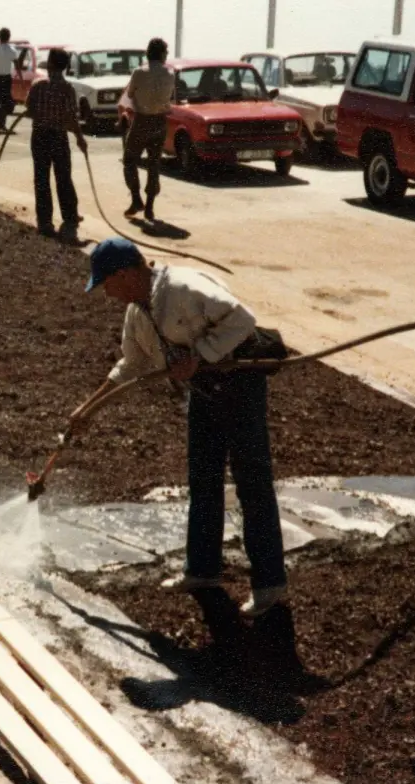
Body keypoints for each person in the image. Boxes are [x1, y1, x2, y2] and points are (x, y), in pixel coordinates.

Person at [72, 239, 294, 628]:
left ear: (125, 273)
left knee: (252, 484)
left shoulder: (183, 289)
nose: (106, 293)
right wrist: (89, 407)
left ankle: (270, 584)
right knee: (203, 481)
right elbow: (133, 363)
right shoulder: (137, 313)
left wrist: (200, 355)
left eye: (106, 283)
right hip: (204, 394)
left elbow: (242, 319)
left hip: (239, 386)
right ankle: (203, 570)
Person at [24, 47, 88, 239]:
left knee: (41, 179)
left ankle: (45, 222)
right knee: (64, 178)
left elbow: (29, 110)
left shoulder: (37, 85)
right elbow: (71, 117)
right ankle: (70, 217)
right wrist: (79, 137)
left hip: (40, 136)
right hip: (59, 137)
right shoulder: (67, 89)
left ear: (50, 63)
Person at [121, 37, 176, 221]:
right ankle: (149, 207)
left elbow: (129, 94)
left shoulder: (139, 72)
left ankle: (136, 199)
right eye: (166, 52)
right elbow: (171, 98)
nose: (167, 56)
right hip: (159, 122)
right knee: (154, 164)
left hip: (141, 121)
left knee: (129, 160)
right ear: (160, 54)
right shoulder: (170, 74)